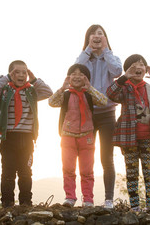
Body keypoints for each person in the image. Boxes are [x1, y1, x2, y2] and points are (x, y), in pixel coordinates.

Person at [106, 54, 150, 211]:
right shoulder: (124, 89)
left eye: (141, 64)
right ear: (128, 70)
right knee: (131, 173)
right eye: (134, 65)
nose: (138, 67)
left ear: (146, 69)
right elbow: (110, 93)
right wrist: (124, 78)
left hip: (149, 138)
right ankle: (135, 207)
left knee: (149, 172)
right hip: (128, 138)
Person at [0, 60, 53, 207]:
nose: (21, 75)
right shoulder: (5, 91)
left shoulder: (31, 91)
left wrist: (34, 79)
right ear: (11, 74)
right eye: (16, 72)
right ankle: (7, 202)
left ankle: (25, 202)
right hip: (8, 137)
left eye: (24, 72)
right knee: (8, 171)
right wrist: (6, 78)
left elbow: (48, 92)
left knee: (25, 171)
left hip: (26, 137)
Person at [75, 24, 122, 208]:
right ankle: (88, 199)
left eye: (100, 34)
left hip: (108, 113)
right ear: (88, 39)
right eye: (93, 34)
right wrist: (88, 51)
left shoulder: (111, 58)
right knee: (86, 157)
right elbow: (75, 69)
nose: (97, 36)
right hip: (87, 113)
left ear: (105, 38)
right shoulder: (84, 59)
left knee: (106, 157)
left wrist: (106, 50)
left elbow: (117, 71)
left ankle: (109, 199)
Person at [49, 64, 107, 207]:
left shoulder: (90, 94)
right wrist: (62, 88)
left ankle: (88, 199)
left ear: (86, 78)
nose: (77, 76)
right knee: (68, 168)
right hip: (67, 135)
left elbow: (103, 101)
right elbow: (51, 102)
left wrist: (90, 88)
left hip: (87, 135)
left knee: (87, 170)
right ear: (68, 77)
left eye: (81, 74)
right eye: (73, 74)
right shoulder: (66, 94)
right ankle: (70, 197)